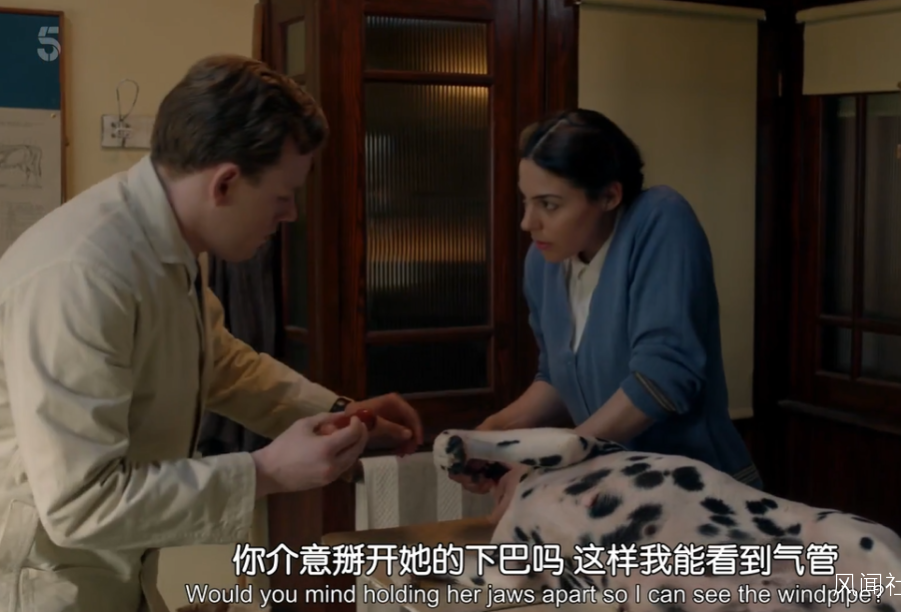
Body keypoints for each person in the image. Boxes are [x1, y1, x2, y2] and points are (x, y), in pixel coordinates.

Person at [0, 55, 423, 612]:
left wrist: (341, 413)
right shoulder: (83, 274)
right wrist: (265, 472)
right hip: (46, 585)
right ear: (225, 183)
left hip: (113, 571)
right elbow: (81, 505)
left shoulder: (159, 242)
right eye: (282, 196)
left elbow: (219, 363)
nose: (291, 215)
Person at [452, 109, 761, 522]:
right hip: (612, 499)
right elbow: (559, 378)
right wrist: (495, 433)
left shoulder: (660, 219)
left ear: (609, 196)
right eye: (526, 201)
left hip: (699, 501)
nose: (528, 222)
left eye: (549, 205)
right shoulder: (542, 263)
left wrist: (554, 460)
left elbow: (664, 377)